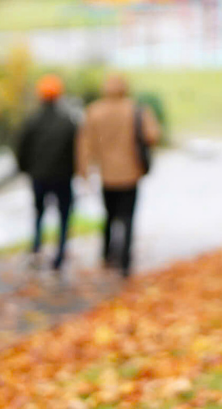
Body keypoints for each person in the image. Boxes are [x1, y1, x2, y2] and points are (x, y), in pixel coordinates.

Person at [76, 73, 161, 277]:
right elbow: (153, 135)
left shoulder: (94, 111)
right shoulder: (137, 109)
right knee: (128, 216)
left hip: (107, 175)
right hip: (131, 173)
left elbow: (85, 144)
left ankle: (107, 255)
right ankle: (125, 261)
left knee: (109, 215)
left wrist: (84, 172)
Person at [14, 74, 79, 272]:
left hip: (39, 176)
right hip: (62, 177)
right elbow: (75, 150)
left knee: (39, 213)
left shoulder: (32, 120)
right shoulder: (68, 122)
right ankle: (59, 254)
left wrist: (26, 169)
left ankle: (36, 249)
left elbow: (21, 149)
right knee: (64, 215)